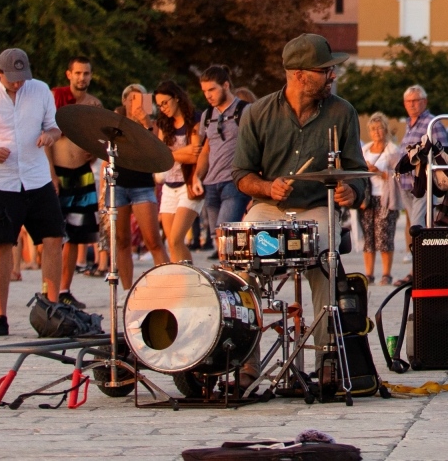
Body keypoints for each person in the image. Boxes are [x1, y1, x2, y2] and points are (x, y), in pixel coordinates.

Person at [232, 33, 367, 347]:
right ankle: (244, 361)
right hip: (267, 206)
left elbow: (357, 169)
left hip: (318, 206)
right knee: (241, 265)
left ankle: (327, 358)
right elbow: (240, 173)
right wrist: (266, 186)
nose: (332, 75)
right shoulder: (256, 113)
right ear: (299, 75)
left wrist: (352, 191)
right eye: (325, 70)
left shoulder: (343, 112)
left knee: (325, 259)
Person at [0, 47, 67, 337]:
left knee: (53, 237)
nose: (18, 83)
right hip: (3, 181)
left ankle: (51, 306)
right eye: (13, 79)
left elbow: (55, 127)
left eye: (22, 77)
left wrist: (49, 136)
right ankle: (0, 315)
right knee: (2, 245)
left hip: (37, 176)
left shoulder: (41, 90)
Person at [50, 57, 102, 307]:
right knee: (53, 236)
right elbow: (45, 139)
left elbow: (100, 139)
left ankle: (64, 290)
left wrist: (95, 150)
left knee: (75, 237)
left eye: (87, 73)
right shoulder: (54, 99)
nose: (82, 78)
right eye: (78, 73)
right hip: (57, 173)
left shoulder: (94, 105)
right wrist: (50, 174)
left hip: (82, 174)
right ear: (68, 74)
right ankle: (48, 291)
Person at [110, 84, 168, 289]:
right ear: (124, 101)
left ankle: (167, 285)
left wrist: (145, 123)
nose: (135, 105)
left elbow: (157, 151)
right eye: (131, 100)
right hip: (118, 184)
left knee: (152, 239)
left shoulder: (151, 124)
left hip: (142, 184)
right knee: (122, 240)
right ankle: (127, 289)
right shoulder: (115, 123)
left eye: (140, 100)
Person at [195, 65, 250, 260]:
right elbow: (206, 149)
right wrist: (196, 176)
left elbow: (258, 145)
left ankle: (233, 278)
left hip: (233, 181)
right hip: (211, 183)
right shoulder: (207, 115)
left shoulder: (244, 110)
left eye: (212, 89)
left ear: (225, 85)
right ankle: (228, 277)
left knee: (225, 232)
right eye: (204, 91)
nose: (208, 95)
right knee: (218, 239)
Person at [153, 81, 203, 266]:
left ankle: (189, 278)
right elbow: (160, 156)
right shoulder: (164, 124)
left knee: (176, 238)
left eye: (165, 102)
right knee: (172, 244)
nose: (162, 108)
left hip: (188, 184)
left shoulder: (195, 119)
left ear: (176, 98)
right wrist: (180, 153)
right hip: (169, 186)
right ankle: (182, 278)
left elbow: (196, 154)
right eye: (159, 105)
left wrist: (170, 154)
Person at [359, 112, 401, 284]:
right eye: (373, 129)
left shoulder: (392, 150)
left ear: (385, 130)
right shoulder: (365, 150)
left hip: (385, 198)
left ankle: (386, 273)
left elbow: (399, 176)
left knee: (384, 237)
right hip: (367, 199)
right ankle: (368, 274)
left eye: (380, 128)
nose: (376, 132)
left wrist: (379, 172)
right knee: (368, 238)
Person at [396, 84, 435, 237]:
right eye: (408, 101)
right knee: (414, 221)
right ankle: (418, 253)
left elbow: (441, 151)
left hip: (422, 182)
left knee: (416, 223)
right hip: (406, 183)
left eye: (415, 100)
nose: (411, 104)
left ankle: (420, 255)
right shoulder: (409, 124)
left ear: (424, 102)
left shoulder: (431, 123)